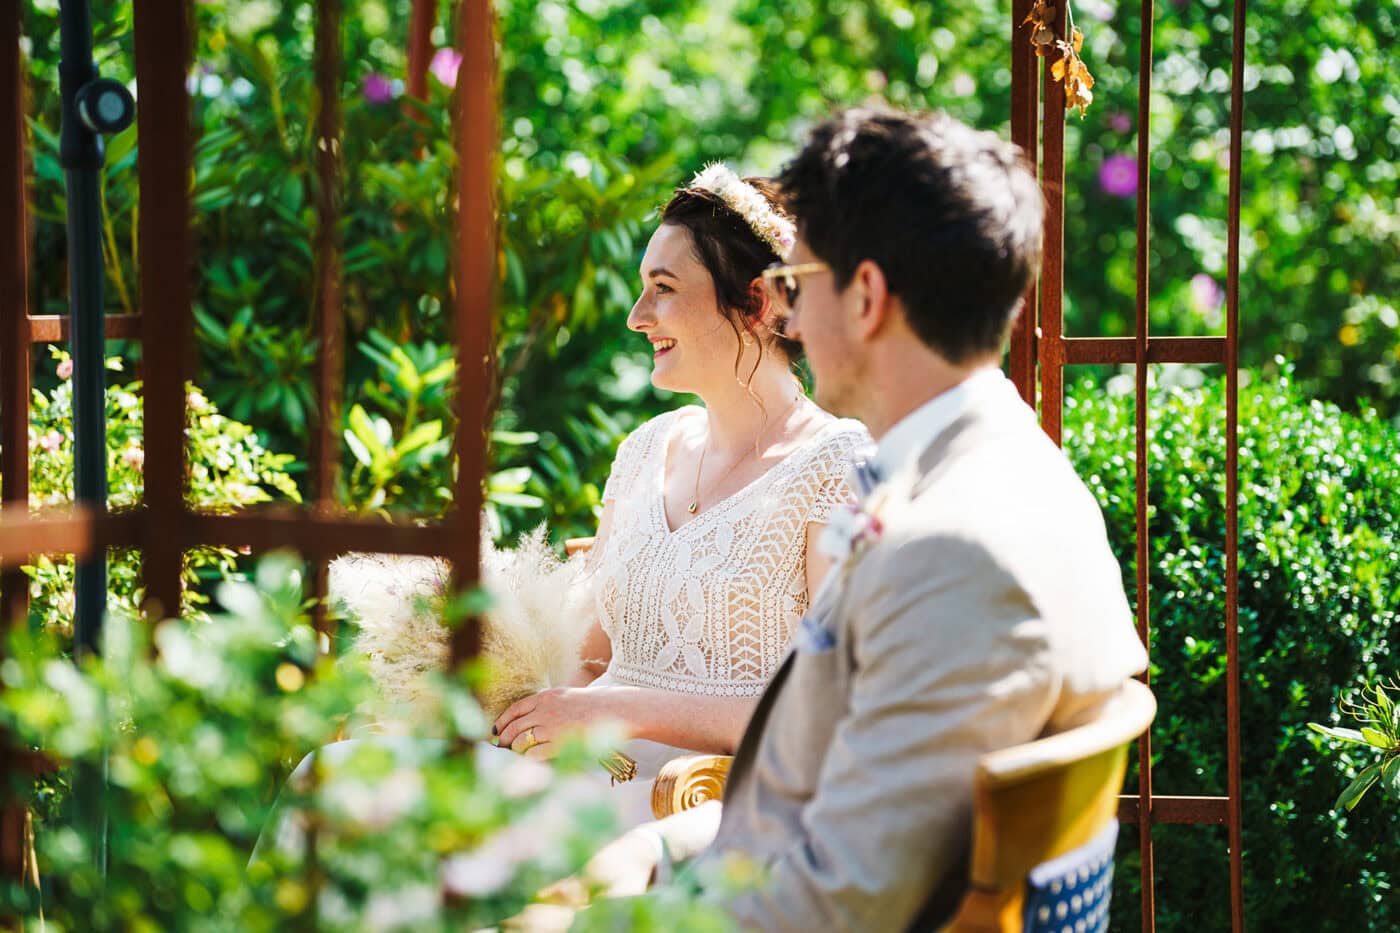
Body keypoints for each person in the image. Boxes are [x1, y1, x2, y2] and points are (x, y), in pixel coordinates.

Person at [566, 106, 1150, 931]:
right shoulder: (1004, 472)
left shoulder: (955, 548)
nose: (790, 321)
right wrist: (658, 853)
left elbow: (847, 895)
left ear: (867, 295)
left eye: (800, 285)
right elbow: (816, 791)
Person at [254, 164, 872, 862]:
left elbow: (836, 710)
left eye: (663, 291)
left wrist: (622, 708)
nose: (637, 317)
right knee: (329, 776)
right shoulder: (646, 449)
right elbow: (590, 656)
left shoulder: (838, 466)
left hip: (693, 806)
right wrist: (500, 677)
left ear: (757, 302)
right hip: (576, 779)